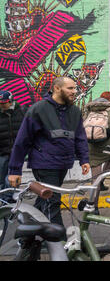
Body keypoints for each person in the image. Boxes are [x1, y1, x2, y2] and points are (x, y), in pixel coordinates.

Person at [7, 76, 90, 227]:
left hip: (63, 163)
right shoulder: (38, 109)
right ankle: (57, 240)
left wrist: (84, 159)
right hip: (44, 163)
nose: (74, 91)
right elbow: (22, 141)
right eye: (70, 88)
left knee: (44, 199)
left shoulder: (74, 111)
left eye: (75, 88)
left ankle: (29, 233)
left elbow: (80, 136)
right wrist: (14, 170)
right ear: (57, 88)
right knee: (52, 201)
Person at [83, 91, 110, 190]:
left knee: (95, 165)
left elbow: (83, 124)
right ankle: (101, 181)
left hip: (91, 143)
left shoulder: (90, 109)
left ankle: (95, 189)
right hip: (109, 145)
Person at [0, 91, 27, 201]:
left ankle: (9, 203)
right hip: (2, 152)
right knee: (2, 180)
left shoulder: (22, 112)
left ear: (11, 101)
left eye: (4, 103)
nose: (1, 106)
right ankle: (4, 202)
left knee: (11, 179)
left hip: (17, 153)